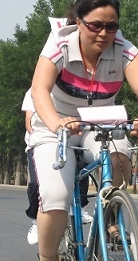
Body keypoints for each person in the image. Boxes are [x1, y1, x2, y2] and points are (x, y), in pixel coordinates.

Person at [28, 0, 138, 261]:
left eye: (112, 26)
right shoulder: (59, 42)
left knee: (118, 157)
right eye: (96, 25)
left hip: (100, 122)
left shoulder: (124, 50)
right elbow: (39, 89)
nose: (104, 33)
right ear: (79, 22)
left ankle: (111, 212)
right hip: (54, 123)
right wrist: (57, 123)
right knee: (56, 196)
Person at [22, 89, 93, 246]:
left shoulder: (76, 88)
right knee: (36, 185)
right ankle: (36, 219)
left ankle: (79, 206)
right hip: (45, 141)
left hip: (73, 142)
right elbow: (29, 121)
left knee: (82, 170)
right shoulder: (36, 90)